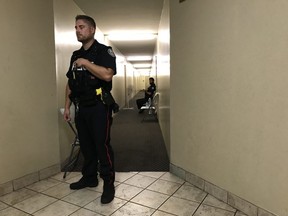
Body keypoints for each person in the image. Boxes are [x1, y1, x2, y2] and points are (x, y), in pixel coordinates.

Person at [63, 15, 116, 204]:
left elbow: (107, 75)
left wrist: (86, 63)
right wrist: (68, 106)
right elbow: (70, 82)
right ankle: (89, 177)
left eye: (82, 27)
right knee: (86, 145)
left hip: (99, 107)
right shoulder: (75, 55)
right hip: (82, 107)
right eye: (76, 27)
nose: (78, 30)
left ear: (92, 29)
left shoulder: (104, 51)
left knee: (102, 145)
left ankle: (108, 183)